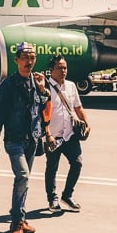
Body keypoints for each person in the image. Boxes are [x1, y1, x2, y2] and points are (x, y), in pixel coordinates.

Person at [0, 42, 51, 233]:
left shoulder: (37, 82)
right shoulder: (8, 85)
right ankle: (16, 221)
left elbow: (44, 106)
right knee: (22, 176)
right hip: (13, 139)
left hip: (31, 139)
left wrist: (42, 90)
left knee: (25, 180)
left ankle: (21, 218)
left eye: (32, 58)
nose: (29, 61)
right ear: (16, 60)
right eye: (25, 57)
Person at [45, 54, 89, 212]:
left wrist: (87, 124)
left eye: (65, 68)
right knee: (52, 168)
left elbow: (78, 107)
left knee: (77, 163)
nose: (63, 71)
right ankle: (52, 199)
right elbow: (41, 113)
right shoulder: (44, 87)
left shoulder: (71, 86)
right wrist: (47, 134)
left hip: (69, 135)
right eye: (59, 68)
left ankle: (67, 195)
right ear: (51, 70)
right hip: (53, 136)